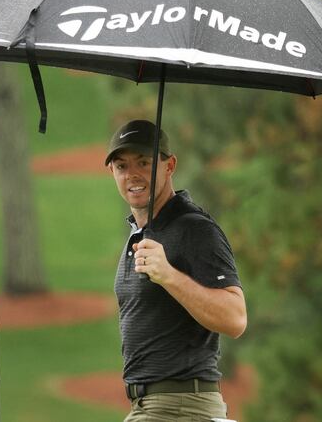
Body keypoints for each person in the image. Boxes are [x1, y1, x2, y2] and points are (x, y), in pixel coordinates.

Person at [105, 120, 247, 422]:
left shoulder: (194, 229)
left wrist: (169, 276)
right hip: (148, 407)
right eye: (122, 166)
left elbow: (235, 318)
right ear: (111, 172)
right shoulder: (140, 234)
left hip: (182, 407)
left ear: (169, 166)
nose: (132, 174)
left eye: (144, 163)